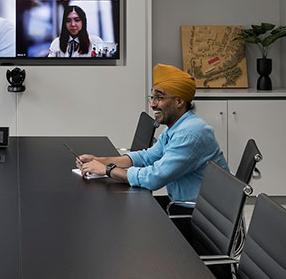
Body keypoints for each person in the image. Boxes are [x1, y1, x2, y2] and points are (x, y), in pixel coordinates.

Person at [77, 64, 228, 204]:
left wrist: (108, 170)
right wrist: (99, 161)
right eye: (152, 97)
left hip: (199, 217)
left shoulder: (189, 134)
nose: (153, 104)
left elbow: (154, 178)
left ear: (179, 101)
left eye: (159, 98)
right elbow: (146, 157)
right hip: (190, 207)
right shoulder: (176, 127)